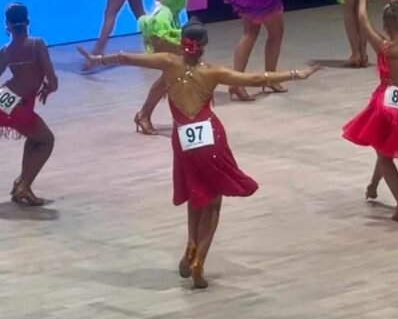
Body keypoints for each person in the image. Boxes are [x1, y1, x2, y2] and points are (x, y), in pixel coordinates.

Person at [78, 20, 321, 288]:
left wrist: (97, 59)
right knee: (213, 203)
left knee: (196, 195)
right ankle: (199, 263)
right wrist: (298, 74)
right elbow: (255, 79)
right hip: (211, 139)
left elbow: (126, 57)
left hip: (183, 141)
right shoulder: (212, 72)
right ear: (204, 46)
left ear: (182, 41)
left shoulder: (167, 63)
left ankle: (191, 245)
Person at [342, 0, 398, 221]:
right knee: (384, 148)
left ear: (385, 25)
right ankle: (373, 186)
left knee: (384, 155)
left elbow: (362, 20)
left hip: (385, 104)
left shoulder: (384, 47)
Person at [134, 0, 191, 135]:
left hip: (170, 23)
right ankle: (144, 114)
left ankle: (151, 114)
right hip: (163, 26)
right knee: (175, 71)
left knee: (175, 72)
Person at [0, 2, 58, 206]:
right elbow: (53, 81)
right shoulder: (37, 44)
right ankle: (24, 185)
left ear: (7, 25)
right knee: (47, 141)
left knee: (34, 139)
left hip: (4, 98)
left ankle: (21, 183)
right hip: (20, 105)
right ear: (28, 21)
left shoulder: (5, 51)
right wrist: (48, 88)